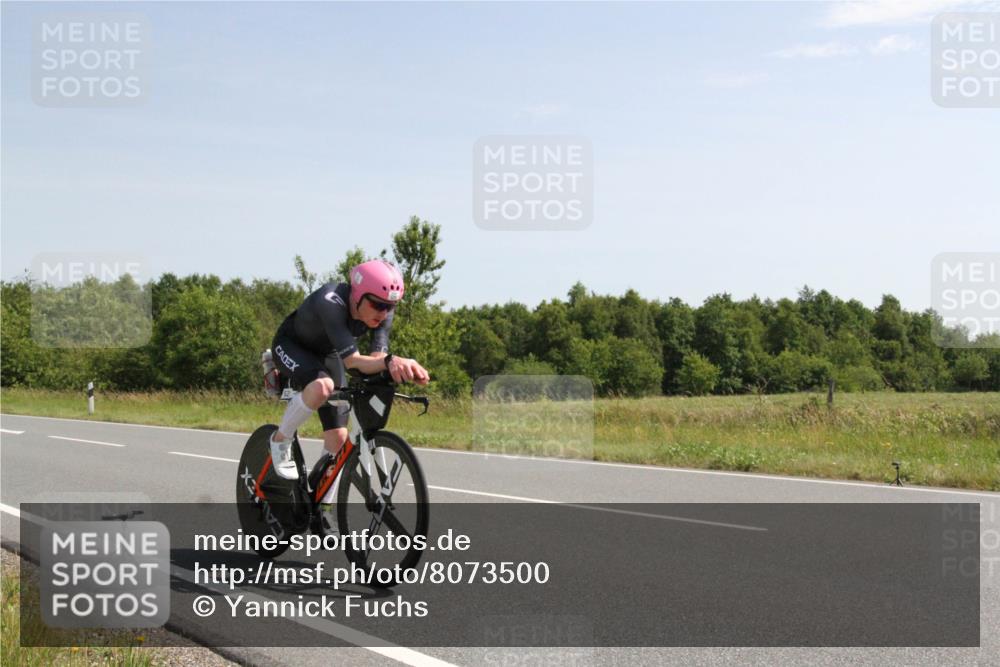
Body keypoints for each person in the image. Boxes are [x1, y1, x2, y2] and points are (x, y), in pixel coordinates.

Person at [268, 259, 430, 480]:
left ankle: (324, 508)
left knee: (338, 438)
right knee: (322, 387)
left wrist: (401, 367)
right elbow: (353, 361)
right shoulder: (331, 300)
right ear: (358, 295)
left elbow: (377, 358)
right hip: (292, 345)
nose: (384, 313)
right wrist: (391, 361)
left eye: (390, 306)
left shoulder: (382, 312)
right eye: (377, 305)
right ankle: (280, 441)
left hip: (330, 353)